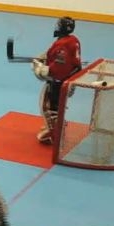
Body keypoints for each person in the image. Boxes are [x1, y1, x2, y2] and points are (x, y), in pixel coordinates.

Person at [31, 16, 82, 144]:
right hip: (71, 77)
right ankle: (56, 126)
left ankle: (54, 134)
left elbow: (58, 68)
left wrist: (41, 69)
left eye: (59, 25)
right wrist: (46, 57)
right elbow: (61, 57)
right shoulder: (72, 40)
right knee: (58, 104)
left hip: (60, 81)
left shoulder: (62, 44)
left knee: (48, 105)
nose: (57, 27)